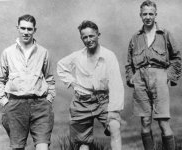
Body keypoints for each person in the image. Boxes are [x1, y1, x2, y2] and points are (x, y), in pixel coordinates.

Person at [57, 20, 124, 150]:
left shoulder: (108, 56)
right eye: (85, 37)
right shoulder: (77, 56)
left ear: (98, 34)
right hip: (82, 101)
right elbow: (61, 65)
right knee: (83, 141)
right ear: (81, 38)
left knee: (115, 126)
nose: (88, 40)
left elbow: (116, 84)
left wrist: (113, 110)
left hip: (103, 100)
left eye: (91, 36)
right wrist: (72, 83)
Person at [125, 1, 181, 150]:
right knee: (145, 122)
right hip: (140, 81)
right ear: (140, 15)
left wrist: (169, 76)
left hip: (159, 78)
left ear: (156, 14)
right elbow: (129, 63)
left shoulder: (165, 34)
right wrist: (131, 78)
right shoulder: (135, 38)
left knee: (163, 122)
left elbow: (176, 58)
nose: (148, 17)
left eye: (151, 13)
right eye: (145, 14)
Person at [0, 14, 55, 150]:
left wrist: (49, 99)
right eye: (23, 28)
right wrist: (5, 102)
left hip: (40, 105)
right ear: (18, 28)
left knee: (43, 147)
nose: (26, 32)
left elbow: (50, 79)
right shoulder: (8, 52)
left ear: (35, 30)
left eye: (29, 29)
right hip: (16, 105)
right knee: (17, 147)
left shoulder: (43, 52)